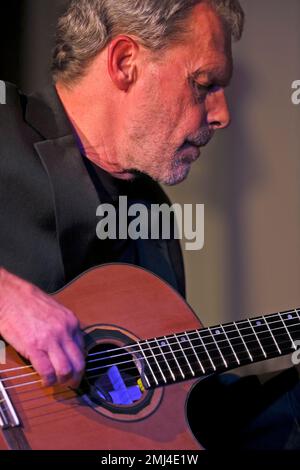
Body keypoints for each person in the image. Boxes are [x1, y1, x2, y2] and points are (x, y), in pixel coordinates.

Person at [1, 0, 299, 450]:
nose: (222, 114)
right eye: (203, 84)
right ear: (125, 63)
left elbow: (183, 416)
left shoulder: (152, 217)